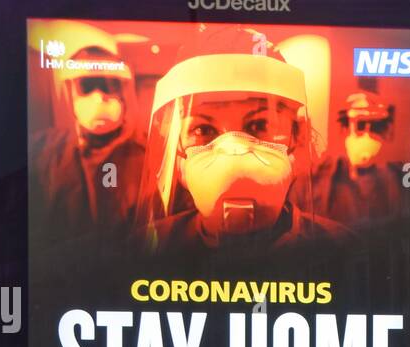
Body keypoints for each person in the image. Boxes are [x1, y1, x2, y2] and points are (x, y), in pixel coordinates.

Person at [135, 24, 350, 263]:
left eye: (259, 125)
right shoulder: (149, 247)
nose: (233, 150)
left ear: (297, 135)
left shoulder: (341, 250)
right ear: (177, 151)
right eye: (203, 129)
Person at [29, 26, 147, 251]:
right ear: (70, 92)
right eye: (87, 86)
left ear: (123, 92)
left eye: (107, 85)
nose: (99, 98)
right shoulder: (39, 153)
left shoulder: (148, 157)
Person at [307, 92, 406, 226]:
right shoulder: (324, 179)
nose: (367, 136)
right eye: (360, 126)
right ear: (345, 129)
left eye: (375, 128)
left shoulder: (393, 180)